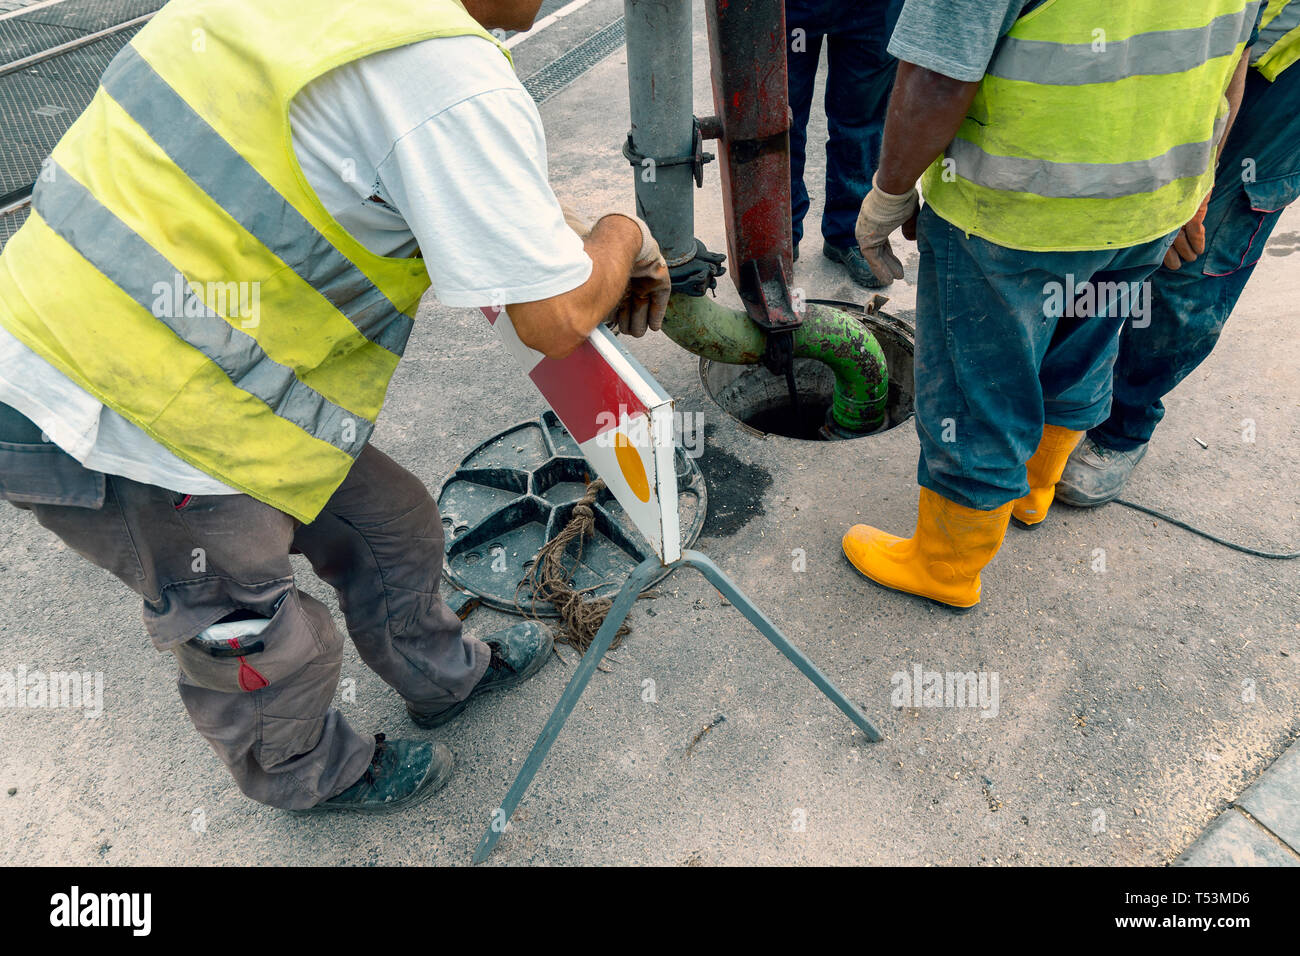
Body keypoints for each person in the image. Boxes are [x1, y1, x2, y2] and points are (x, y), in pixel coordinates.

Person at [0, 0, 669, 812]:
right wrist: (623, 233)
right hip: (108, 408)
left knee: (394, 527)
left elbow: (432, 175)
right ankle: (311, 774)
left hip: (204, 371)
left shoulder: (375, 32)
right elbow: (555, 320)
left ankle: (439, 674)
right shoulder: (441, 77)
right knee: (248, 629)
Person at [841, 0, 1261, 609]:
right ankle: (1033, 492)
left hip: (1013, 213)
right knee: (1084, 345)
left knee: (978, 387)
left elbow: (938, 77)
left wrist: (890, 191)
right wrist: (1199, 182)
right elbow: (1234, 61)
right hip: (1150, 202)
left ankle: (946, 565)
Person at [1057, 0, 1300, 507]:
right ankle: (1058, 406)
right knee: (1107, 218)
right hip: (1187, 27)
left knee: (1197, 253)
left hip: (1284, 77)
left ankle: (1122, 425)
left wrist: (1202, 180)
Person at [785, 0, 903, 287]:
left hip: (873, 8)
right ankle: (779, 232)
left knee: (861, 122)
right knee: (779, 119)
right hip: (787, 7)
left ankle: (850, 231)